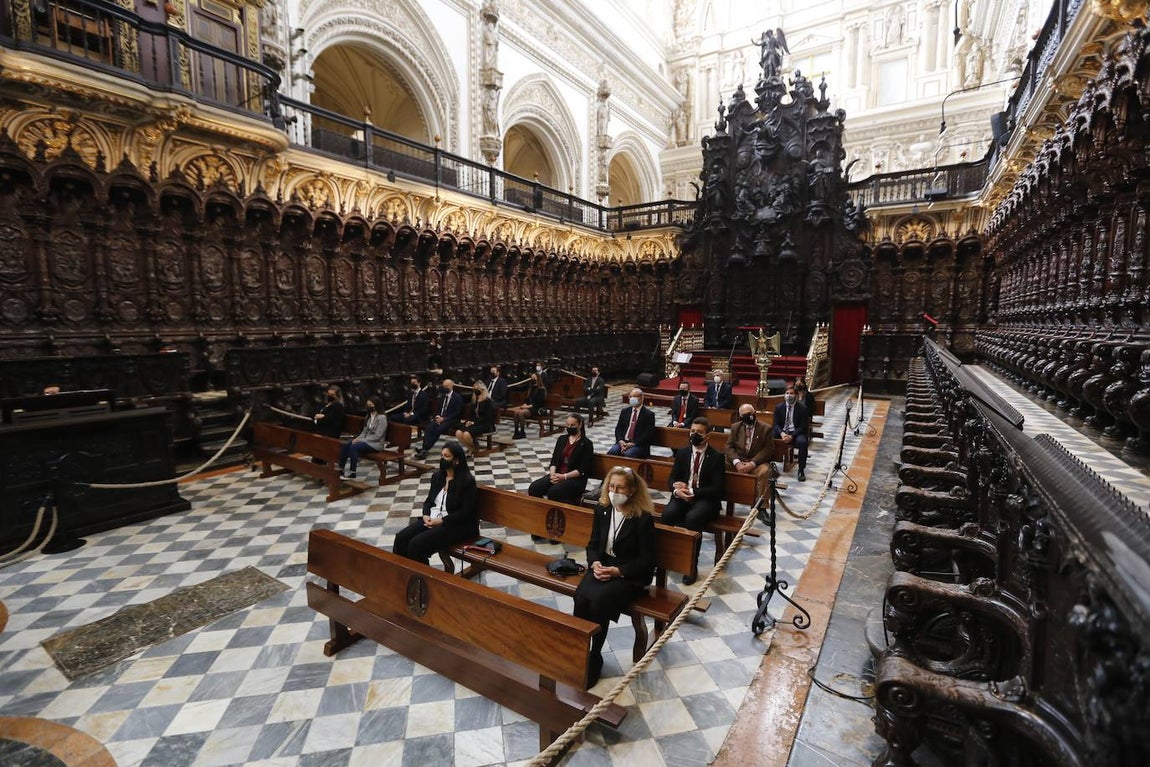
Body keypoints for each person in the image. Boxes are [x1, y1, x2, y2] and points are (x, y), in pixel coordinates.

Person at [574, 466, 656, 686]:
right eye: (611, 486)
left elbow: (648, 561)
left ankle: (595, 655)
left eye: (619, 487)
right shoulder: (602, 510)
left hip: (628, 574)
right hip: (604, 567)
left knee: (599, 602)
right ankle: (579, 649)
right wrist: (595, 563)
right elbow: (593, 544)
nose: (613, 491)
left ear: (631, 491)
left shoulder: (642, 518)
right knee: (580, 597)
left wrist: (618, 571)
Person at [661, 417, 726, 584]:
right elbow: (672, 478)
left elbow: (717, 489)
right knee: (667, 514)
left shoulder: (717, 457)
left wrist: (691, 491)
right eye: (692, 431)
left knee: (693, 518)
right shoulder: (683, 453)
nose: (694, 435)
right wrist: (676, 490)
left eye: (699, 432)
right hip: (682, 496)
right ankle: (663, 558)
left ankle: (691, 566)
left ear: (708, 436)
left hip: (705, 499)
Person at [393, 442, 478, 566]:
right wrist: (426, 515)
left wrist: (442, 521)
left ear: (457, 460)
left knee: (416, 545)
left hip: (456, 526)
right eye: (442, 455)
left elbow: (466, 512)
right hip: (433, 519)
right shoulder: (438, 477)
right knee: (401, 537)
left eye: (447, 456)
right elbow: (429, 501)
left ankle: (423, 581)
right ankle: (404, 574)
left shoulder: (466, 482)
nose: (443, 459)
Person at [528, 413, 593, 504]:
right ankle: (541, 511)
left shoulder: (586, 444)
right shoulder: (562, 439)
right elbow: (554, 461)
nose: (569, 427)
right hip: (557, 474)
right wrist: (552, 474)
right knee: (534, 488)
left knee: (553, 492)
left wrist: (564, 476)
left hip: (575, 479)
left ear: (580, 425)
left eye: (573, 425)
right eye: (568, 425)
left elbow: (583, 469)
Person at [726, 403, 775, 498]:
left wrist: (752, 463)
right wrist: (737, 462)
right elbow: (728, 446)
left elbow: (768, 449)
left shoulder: (766, 428)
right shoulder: (736, 427)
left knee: (765, 471)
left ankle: (762, 506)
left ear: (755, 412)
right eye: (745, 415)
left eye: (750, 413)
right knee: (718, 465)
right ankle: (719, 499)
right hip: (738, 462)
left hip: (756, 463)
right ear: (740, 417)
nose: (749, 416)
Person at [338, 396, 387, 480]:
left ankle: (353, 472)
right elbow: (364, 431)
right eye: (367, 405)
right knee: (346, 444)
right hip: (366, 441)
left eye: (370, 405)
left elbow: (378, 436)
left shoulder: (381, 418)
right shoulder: (369, 416)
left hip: (376, 444)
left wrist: (360, 440)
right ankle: (341, 469)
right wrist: (357, 439)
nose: (368, 407)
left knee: (354, 447)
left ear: (376, 406)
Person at [415, 379, 463, 460]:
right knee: (429, 428)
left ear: (452, 385)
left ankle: (425, 450)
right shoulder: (442, 396)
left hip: (451, 420)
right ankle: (424, 449)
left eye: (447, 386)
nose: (445, 388)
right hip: (440, 418)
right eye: (444, 386)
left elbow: (457, 412)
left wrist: (444, 418)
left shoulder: (457, 397)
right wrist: (437, 416)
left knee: (438, 430)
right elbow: (439, 408)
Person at [772, 386, 809, 481]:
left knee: (803, 442)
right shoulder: (779, 407)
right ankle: (770, 466)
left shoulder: (802, 408)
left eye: (791, 393)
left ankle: (801, 470)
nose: (789, 396)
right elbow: (775, 424)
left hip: (795, 432)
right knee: (767, 437)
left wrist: (791, 436)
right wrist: (782, 434)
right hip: (782, 432)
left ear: (796, 396)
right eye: (787, 393)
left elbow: (802, 426)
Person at [606, 388, 655, 458]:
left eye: (635, 396)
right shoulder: (625, 411)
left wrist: (633, 443)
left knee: (628, 454)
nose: (632, 399)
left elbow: (648, 434)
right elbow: (618, 428)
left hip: (638, 445)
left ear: (642, 398)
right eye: (630, 396)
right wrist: (620, 440)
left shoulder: (648, 414)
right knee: (612, 452)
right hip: (623, 442)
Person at [455, 381, 495, 456]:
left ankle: (473, 448)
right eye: (475, 389)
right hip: (475, 423)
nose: (476, 390)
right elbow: (471, 415)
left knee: (466, 434)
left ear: (482, 390)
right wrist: (469, 421)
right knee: (458, 433)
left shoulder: (488, 401)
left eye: (478, 389)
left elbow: (488, 418)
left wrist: (474, 423)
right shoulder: (474, 400)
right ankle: (471, 448)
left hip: (485, 424)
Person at [510, 371, 547, 439]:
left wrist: (528, 406)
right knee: (516, 412)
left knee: (520, 413)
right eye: (531, 377)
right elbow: (527, 399)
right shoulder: (530, 388)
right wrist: (525, 404)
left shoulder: (541, 389)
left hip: (536, 409)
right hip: (528, 407)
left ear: (537, 379)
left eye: (534, 377)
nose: (532, 379)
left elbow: (539, 403)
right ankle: (516, 431)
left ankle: (522, 432)